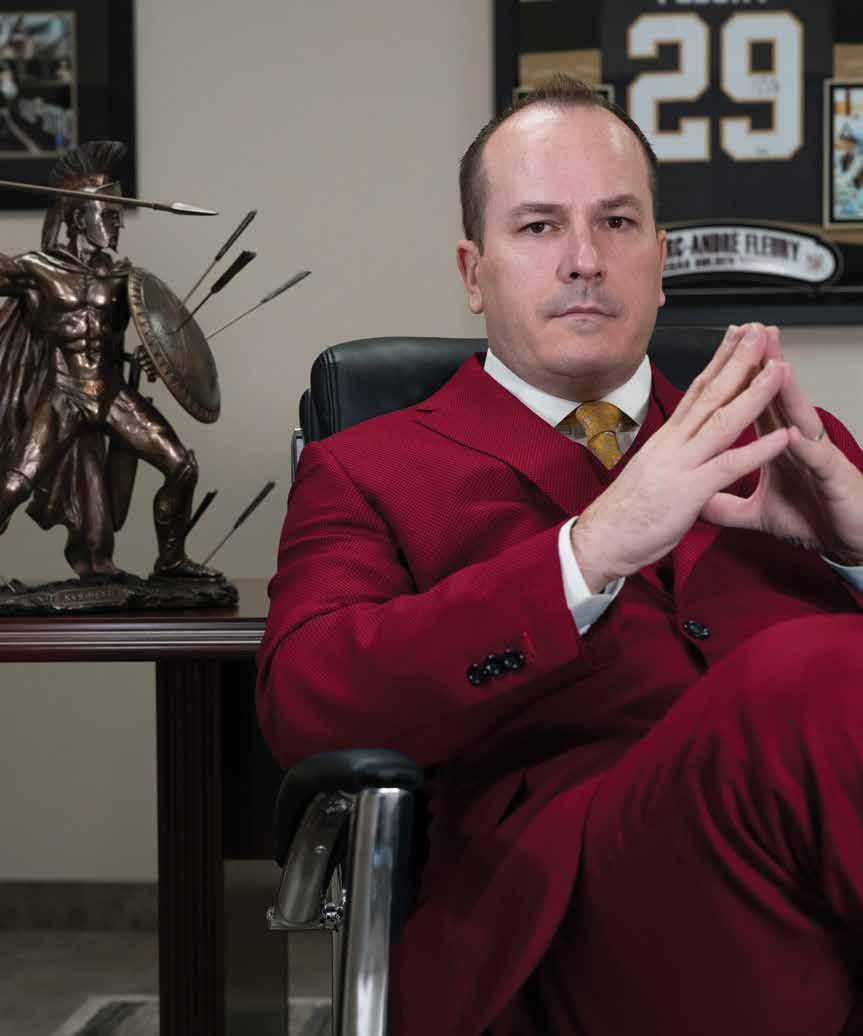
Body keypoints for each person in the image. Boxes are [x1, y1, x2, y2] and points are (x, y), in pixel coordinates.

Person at [257, 78, 863, 1035]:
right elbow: (306, 705)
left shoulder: (787, 438)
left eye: (616, 223)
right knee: (805, 673)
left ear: (659, 260)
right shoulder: (367, 469)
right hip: (569, 919)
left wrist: (857, 552)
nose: (584, 260)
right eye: (539, 226)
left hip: (816, 900)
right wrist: (585, 554)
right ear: (473, 271)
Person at [0, 140, 218, 579]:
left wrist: (156, 359)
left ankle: (171, 562)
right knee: (12, 485)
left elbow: (155, 333)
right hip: (64, 396)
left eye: (119, 216)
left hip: (114, 396)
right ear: (79, 218)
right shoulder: (38, 271)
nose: (117, 224)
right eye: (108, 215)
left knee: (181, 466)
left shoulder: (124, 278)